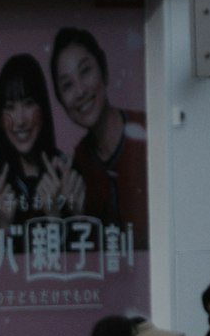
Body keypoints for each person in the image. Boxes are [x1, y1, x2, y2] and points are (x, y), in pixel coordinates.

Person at [0, 52, 87, 235]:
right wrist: (3, 225)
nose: (20, 121)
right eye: (10, 107)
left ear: (43, 107)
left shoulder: (66, 172)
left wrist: (63, 216)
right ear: (0, 117)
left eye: (29, 103)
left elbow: (84, 257)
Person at [49, 24, 148, 236]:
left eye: (85, 71)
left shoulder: (148, 131)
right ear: (61, 102)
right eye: (67, 85)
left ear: (103, 69)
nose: (80, 91)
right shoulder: (77, 164)